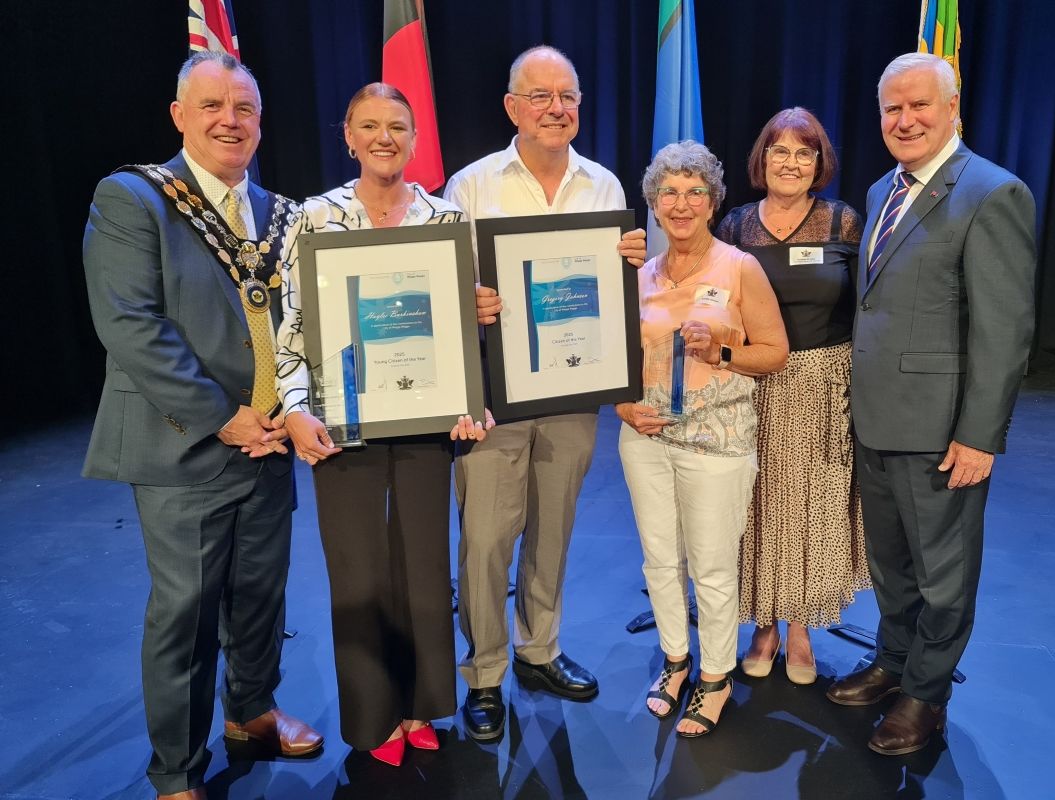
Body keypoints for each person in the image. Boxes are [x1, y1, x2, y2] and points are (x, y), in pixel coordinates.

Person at [81, 52, 322, 800]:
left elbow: (308, 324)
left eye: (243, 108)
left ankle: (251, 712)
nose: (229, 120)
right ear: (179, 115)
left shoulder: (281, 213)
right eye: (212, 105)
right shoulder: (133, 200)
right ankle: (176, 772)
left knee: (261, 596)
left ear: (259, 122)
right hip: (185, 445)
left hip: (270, 445)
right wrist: (223, 418)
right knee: (184, 615)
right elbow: (130, 326)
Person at [275, 83, 493, 767]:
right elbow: (292, 330)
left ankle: (421, 703)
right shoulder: (314, 217)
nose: (383, 137)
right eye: (369, 125)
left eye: (397, 125)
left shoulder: (447, 219)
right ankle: (374, 718)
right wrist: (295, 407)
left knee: (424, 567)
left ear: (415, 137)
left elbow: (459, 334)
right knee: (359, 570)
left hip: (426, 421)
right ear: (347, 135)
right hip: (342, 423)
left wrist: (469, 394)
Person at [826, 53, 1036, 755]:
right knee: (890, 563)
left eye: (920, 105)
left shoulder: (991, 193)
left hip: (943, 430)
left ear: (954, 110)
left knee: (944, 573)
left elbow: (1004, 331)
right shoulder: (884, 189)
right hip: (878, 418)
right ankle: (893, 661)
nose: (905, 119)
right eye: (892, 108)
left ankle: (927, 694)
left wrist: (980, 435)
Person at [443, 44, 647, 743]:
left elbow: (618, 296)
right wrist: (466, 300)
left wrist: (631, 267)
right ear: (512, 108)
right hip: (495, 395)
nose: (557, 108)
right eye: (540, 96)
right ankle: (485, 673)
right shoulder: (469, 187)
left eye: (568, 96)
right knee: (485, 538)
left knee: (553, 529)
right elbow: (445, 291)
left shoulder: (605, 186)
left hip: (572, 389)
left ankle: (539, 649)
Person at [618, 140, 788, 737]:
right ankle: (675, 661)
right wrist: (621, 406)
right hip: (646, 440)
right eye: (669, 192)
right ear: (653, 204)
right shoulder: (637, 275)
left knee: (713, 570)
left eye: (694, 192)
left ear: (713, 202)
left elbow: (775, 353)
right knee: (660, 561)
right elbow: (610, 357)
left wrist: (719, 350)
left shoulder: (739, 267)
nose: (681, 203)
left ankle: (715, 677)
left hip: (718, 442)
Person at [715, 108, 870, 685]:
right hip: (751, 382)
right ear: (762, 159)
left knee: (810, 506)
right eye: (779, 150)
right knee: (756, 504)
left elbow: (867, 306)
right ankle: (764, 623)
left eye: (804, 152)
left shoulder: (843, 223)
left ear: (819, 162)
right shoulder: (734, 225)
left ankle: (801, 623)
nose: (791, 162)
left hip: (823, 383)